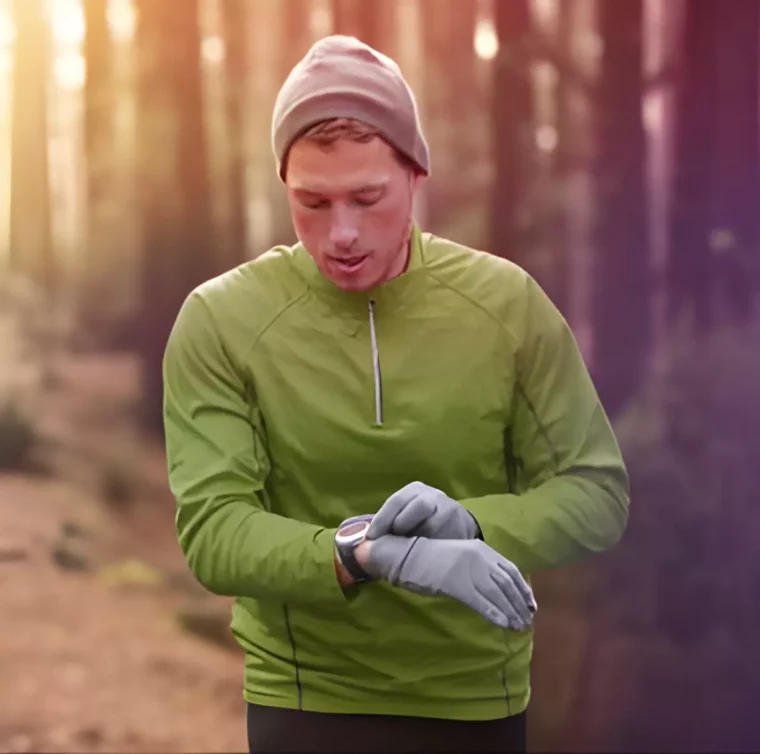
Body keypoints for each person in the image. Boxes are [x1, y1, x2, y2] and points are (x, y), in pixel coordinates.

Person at [162, 35, 629, 754]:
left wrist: (471, 526)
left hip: (476, 701)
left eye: (367, 198)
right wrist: (367, 552)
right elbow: (215, 531)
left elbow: (598, 494)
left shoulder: (506, 305)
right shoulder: (222, 319)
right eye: (311, 202)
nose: (341, 233)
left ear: (416, 176)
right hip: (304, 699)